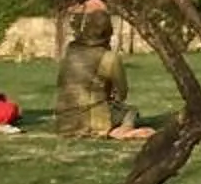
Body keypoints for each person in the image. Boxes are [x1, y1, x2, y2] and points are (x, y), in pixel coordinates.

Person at [53, 10, 146, 140]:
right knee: (131, 112)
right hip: (94, 119)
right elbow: (122, 93)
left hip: (64, 121)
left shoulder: (71, 51)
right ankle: (122, 131)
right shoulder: (109, 58)